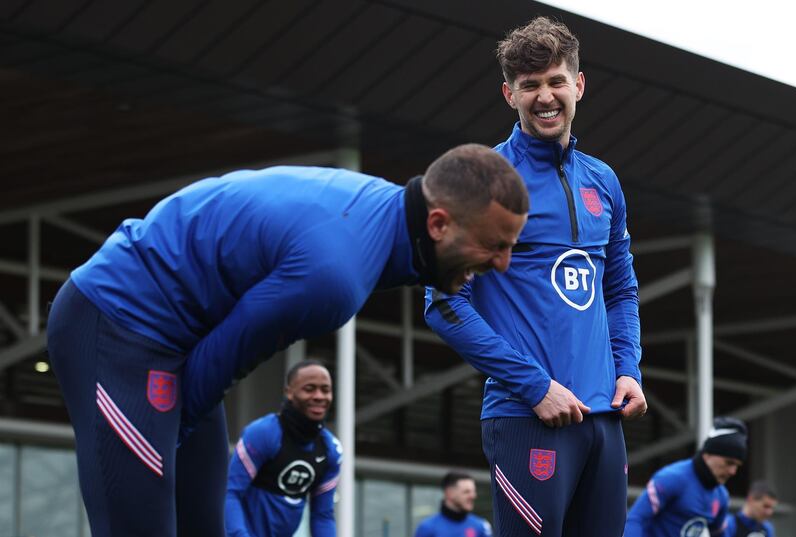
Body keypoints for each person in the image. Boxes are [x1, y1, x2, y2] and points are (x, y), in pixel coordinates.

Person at [45, 143, 529, 537]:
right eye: (495, 246)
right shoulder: (334, 278)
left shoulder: (380, 216)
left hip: (178, 340)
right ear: (438, 224)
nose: (503, 264)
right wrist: (153, 452)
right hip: (117, 323)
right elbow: (217, 364)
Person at [424, 16, 645, 537]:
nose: (545, 97)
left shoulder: (604, 181)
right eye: (530, 86)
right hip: (528, 417)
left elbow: (620, 289)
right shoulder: (483, 181)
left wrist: (628, 369)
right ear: (509, 94)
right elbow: (445, 304)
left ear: (578, 85)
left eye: (555, 81)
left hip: (604, 419)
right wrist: (534, 386)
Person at [226, 360, 340, 537]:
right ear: (289, 392)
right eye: (309, 389)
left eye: (326, 390)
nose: (319, 396)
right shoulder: (262, 433)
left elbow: (322, 515)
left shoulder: (331, 450)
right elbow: (230, 493)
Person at [625, 417, 749, 537]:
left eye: (737, 466)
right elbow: (636, 519)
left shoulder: (721, 496)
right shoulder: (672, 478)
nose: (733, 471)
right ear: (708, 454)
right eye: (729, 463)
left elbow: (719, 534)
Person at [414, 472, 493, 537]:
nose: (473, 496)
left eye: (473, 491)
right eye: (466, 492)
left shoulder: (481, 526)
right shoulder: (427, 528)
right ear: (449, 493)